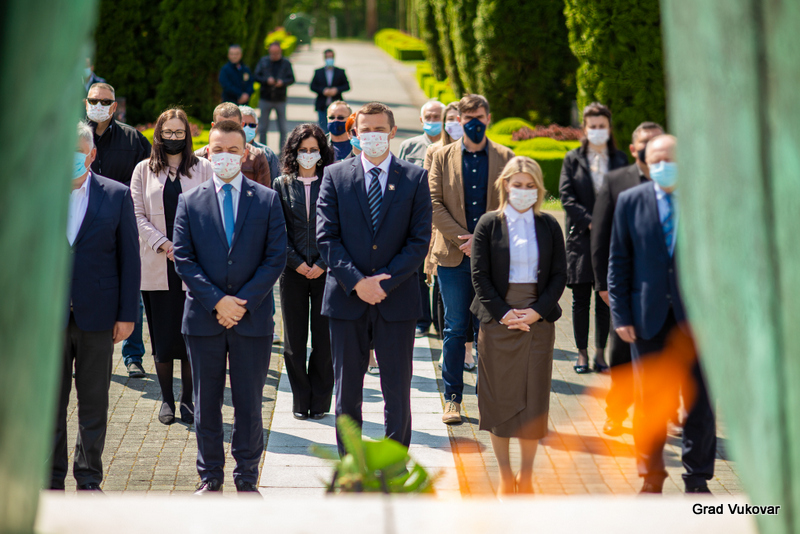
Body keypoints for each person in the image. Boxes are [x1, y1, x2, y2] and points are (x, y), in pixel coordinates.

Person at [173, 120, 287, 494]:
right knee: (206, 403)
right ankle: (210, 476)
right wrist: (217, 301)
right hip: (203, 318)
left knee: (249, 403)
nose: (225, 156)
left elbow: (275, 257)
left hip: (251, 318)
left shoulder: (267, 199)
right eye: (218, 149)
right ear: (207, 152)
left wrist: (242, 303)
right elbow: (184, 259)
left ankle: (247, 476)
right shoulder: (190, 200)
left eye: (232, 150)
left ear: (245, 152)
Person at [317, 102, 432, 453]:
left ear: (392, 132)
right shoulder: (335, 176)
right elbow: (326, 237)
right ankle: (351, 465)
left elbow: (419, 241)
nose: (373, 136)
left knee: (397, 390)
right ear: (355, 134)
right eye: (365, 130)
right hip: (346, 299)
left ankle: (394, 464)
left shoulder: (414, 178)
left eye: (380, 129)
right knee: (346, 390)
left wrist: (383, 282)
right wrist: (357, 282)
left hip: (396, 300)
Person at [608, 134, 716, 495]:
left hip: (697, 322)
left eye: (670, 159)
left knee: (700, 403)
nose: (663, 166)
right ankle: (651, 477)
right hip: (646, 320)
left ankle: (697, 479)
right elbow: (618, 261)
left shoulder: (704, 200)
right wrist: (621, 315)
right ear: (645, 162)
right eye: (656, 160)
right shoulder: (630, 201)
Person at [51, 122, 140, 491]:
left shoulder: (116, 195)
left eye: (78, 151)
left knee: (93, 404)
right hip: (49, 320)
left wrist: (128, 316)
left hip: (99, 317)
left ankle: (88, 477)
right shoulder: (40, 195)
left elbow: (129, 260)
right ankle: (50, 479)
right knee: (50, 406)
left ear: (91, 154)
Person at [471, 156, 566, 496]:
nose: (524, 191)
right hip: (499, 321)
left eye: (530, 186)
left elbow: (559, 275)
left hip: (538, 322)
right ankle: (504, 475)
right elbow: (479, 275)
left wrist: (537, 311)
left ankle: (526, 476)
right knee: (499, 400)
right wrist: (503, 313)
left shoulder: (549, 225)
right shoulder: (488, 223)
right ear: (505, 185)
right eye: (518, 185)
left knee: (533, 401)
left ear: (538, 189)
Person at [428, 94, 514, 425]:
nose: (473, 123)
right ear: (460, 120)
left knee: (488, 329)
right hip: (453, 256)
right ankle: (452, 399)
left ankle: (487, 399)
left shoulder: (506, 157)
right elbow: (433, 202)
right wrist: (463, 239)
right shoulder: (441, 155)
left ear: (488, 118)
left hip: (492, 258)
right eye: (467, 118)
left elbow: (512, 204)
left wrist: (481, 242)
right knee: (454, 327)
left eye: (479, 117)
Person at [130, 108, 213, 426]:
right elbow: (137, 215)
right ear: (158, 135)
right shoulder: (143, 170)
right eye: (168, 132)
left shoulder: (204, 168)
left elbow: (211, 212)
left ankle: (188, 399)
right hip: (157, 265)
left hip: (194, 266)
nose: (173, 138)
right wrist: (165, 244)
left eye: (179, 132)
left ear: (187, 135)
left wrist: (186, 247)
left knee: (191, 337)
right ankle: (166, 399)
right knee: (163, 340)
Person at [591, 121, 664, 436]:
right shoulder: (616, 181)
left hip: (664, 290)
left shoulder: (676, 183)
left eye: (657, 141)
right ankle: (616, 412)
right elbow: (600, 237)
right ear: (634, 149)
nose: (651, 148)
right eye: (646, 143)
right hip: (625, 288)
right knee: (621, 355)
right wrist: (603, 286)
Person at [85, 82, 151, 379]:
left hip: (123, 225)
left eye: (104, 101)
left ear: (114, 106)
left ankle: (133, 355)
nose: (98, 106)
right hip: (83, 227)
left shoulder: (132, 139)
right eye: (93, 100)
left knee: (130, 289)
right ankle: (87, 354)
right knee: (85, 289)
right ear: (86, 103)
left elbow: (148, 177)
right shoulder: (74, 136)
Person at [558, 102, 628, 374]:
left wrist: (607, 225)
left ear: (609, 129)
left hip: (611, 240)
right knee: (580, 300)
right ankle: (581, 353)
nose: (598, 130)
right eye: (593, 126)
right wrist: (592, 222)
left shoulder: (620, 159)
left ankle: (600, 353)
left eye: (602, 126)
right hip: (580, 239)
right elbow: (566, 196)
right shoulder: (572, 159)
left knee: (605, 298)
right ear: (584, 129)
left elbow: (627, 195)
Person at [273, 124, 335, 421]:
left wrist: (323, 263)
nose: (308, 155)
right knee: (294, 341)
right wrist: (296, 262)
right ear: (293, 152)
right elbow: (276, 230)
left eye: (313, 150)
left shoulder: (333, 182)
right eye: (302, 150)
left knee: (325, 340)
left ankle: (320, 401)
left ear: (322, 153)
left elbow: (339, 228)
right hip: (292, 271)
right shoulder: (281, 184)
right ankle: (300, 399)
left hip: (326, 272)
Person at [195, 102, 271, 188]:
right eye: (222, 127)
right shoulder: (198, 158)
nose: (227, 132)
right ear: (213, 126)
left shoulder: (256, 157)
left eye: (233, 127)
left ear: (242, 125)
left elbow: (263, 193)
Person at [254, 41, 295, 149]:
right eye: (272, 53)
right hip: (265, 98)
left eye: (276, 53)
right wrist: (266, 80)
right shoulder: (263, 61)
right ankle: (263, 150)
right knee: (262, 128)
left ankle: (283, 151)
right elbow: (256, 76)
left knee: (283, 128)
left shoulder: (286, 63)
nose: (274, 55)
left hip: (280, 99)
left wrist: (283, 82)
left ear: (280, 51)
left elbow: (292, 78)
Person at [310, 49, 350, 133]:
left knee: (337, 128)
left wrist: (337, 90)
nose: (329, 59)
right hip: (322, 104)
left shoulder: (340, 72)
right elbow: (313, 86)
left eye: (331, 57)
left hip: (336, 105)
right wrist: (323, 90)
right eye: (328, 57)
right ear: (324, 58)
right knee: (323, 129)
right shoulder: (318, 72)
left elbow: (347, 86)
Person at [398, 100, 445, 168]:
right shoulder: (408, 146)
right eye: (427, 117)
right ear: (421, 120)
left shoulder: (451, 147)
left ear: (444, 119)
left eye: (436, 117)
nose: (432, 121)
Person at [240, 105, 280, 180]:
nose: (247, 128)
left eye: (252, 125)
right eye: (243, 124)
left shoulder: (267, 153)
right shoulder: (228, 151)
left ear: (257, 126)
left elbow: (276, 181)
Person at [423, 102, 462, 172]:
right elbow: (428, 177)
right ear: (444, 122)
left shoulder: (474, 150)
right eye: (451, 119)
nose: (456, 123)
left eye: (460, 119)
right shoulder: (433, 150)